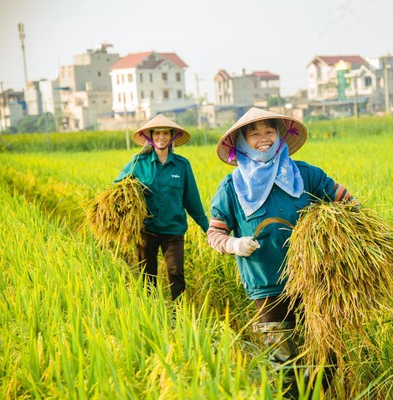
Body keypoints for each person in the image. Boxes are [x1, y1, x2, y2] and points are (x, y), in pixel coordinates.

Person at [206, 107, 353, 397]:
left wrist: (350, 230)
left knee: (328, 355)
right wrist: (234, 244)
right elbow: (215, 233)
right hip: (267, 286)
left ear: (280, 134)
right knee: (283, 364)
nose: (263, 138)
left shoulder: (305, 175)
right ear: (242, 142)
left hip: (314, 281)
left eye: (269, 131)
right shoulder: (232, 188)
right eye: (254, 133)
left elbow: (346, 202)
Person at [116, 114, 209, 302]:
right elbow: (118, 188)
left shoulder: (182, 165)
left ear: (172, 136)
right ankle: (151, 313)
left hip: (173, 231)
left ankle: (178, 314)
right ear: (150, 137)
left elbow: (192, 200)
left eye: (165, 133)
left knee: (176, 273)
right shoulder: (137, 163)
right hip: (146, 231)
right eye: (157, 133)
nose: (161, 137)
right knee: (147, 276)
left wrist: (208, 228)